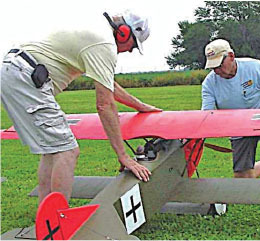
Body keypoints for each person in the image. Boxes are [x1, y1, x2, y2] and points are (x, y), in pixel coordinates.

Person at [0, 10, 161, 204]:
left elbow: (110, 85)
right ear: (124, 33)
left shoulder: (96, 32)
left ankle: (47, 215)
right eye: (133, 45)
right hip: (26, 77)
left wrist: (141, 106)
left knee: (53, 151)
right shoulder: (104, 44)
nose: (129, 51)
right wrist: (123, 156)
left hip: (14, 71)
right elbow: (105, 104)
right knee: (67, 151)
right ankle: (58, 219)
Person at [202, 39, 260, 178]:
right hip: (237, 126)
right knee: (242, 178)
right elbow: (207, 114)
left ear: (231, 57)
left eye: (219, 65)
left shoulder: (254, 67)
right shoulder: (209, 84)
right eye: (213, 67)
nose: (216, 71)